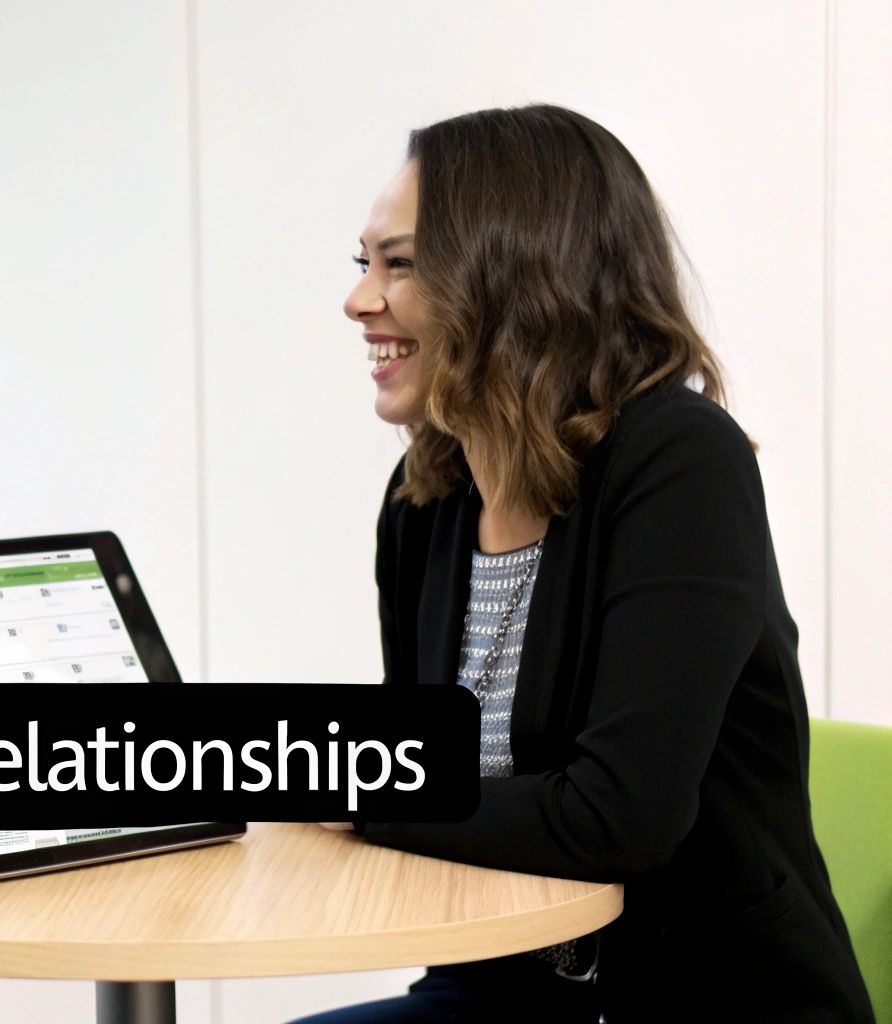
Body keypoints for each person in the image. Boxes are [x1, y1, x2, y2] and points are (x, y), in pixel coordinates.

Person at [300, 105, 874, 1022]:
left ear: (515, 269)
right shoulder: (426, 502)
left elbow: (618, 820)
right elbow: (421, 772)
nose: (360, 299)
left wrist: (360, 792)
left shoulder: (679, 464)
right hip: (501, 991)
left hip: (701, 1003)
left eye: (399, 262)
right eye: (362, 262)